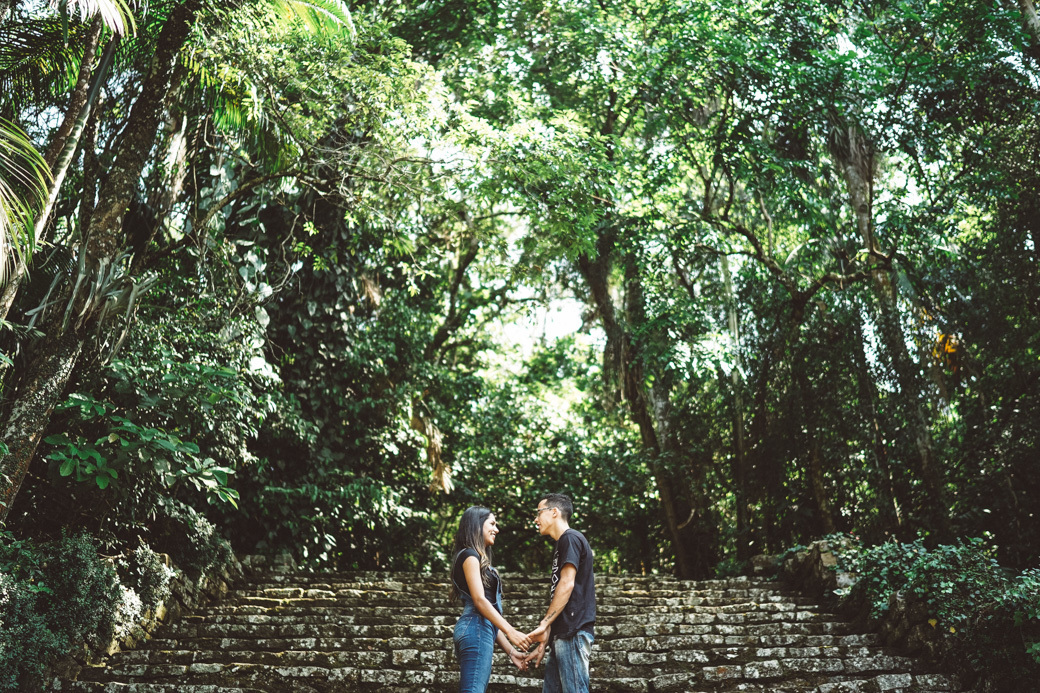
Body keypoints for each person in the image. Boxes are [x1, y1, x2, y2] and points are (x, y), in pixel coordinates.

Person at [450, 505, 533, 693]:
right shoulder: (470, 555)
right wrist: (511, 631)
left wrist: (511, 651)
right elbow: (479, 601)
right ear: (476, 525)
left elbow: (487, 615)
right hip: (475, 627)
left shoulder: (473, 556)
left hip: (479, 627)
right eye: (492, 524)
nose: (497, 529)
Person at [524, 493, 596, 693]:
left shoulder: (570, 538)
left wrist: (544, 623)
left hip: (572, 632)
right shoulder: (563, 542)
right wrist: (547, 633)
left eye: (539, 513)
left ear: (554, 512)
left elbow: (566, 584)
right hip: (562, 633)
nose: (535, 519)